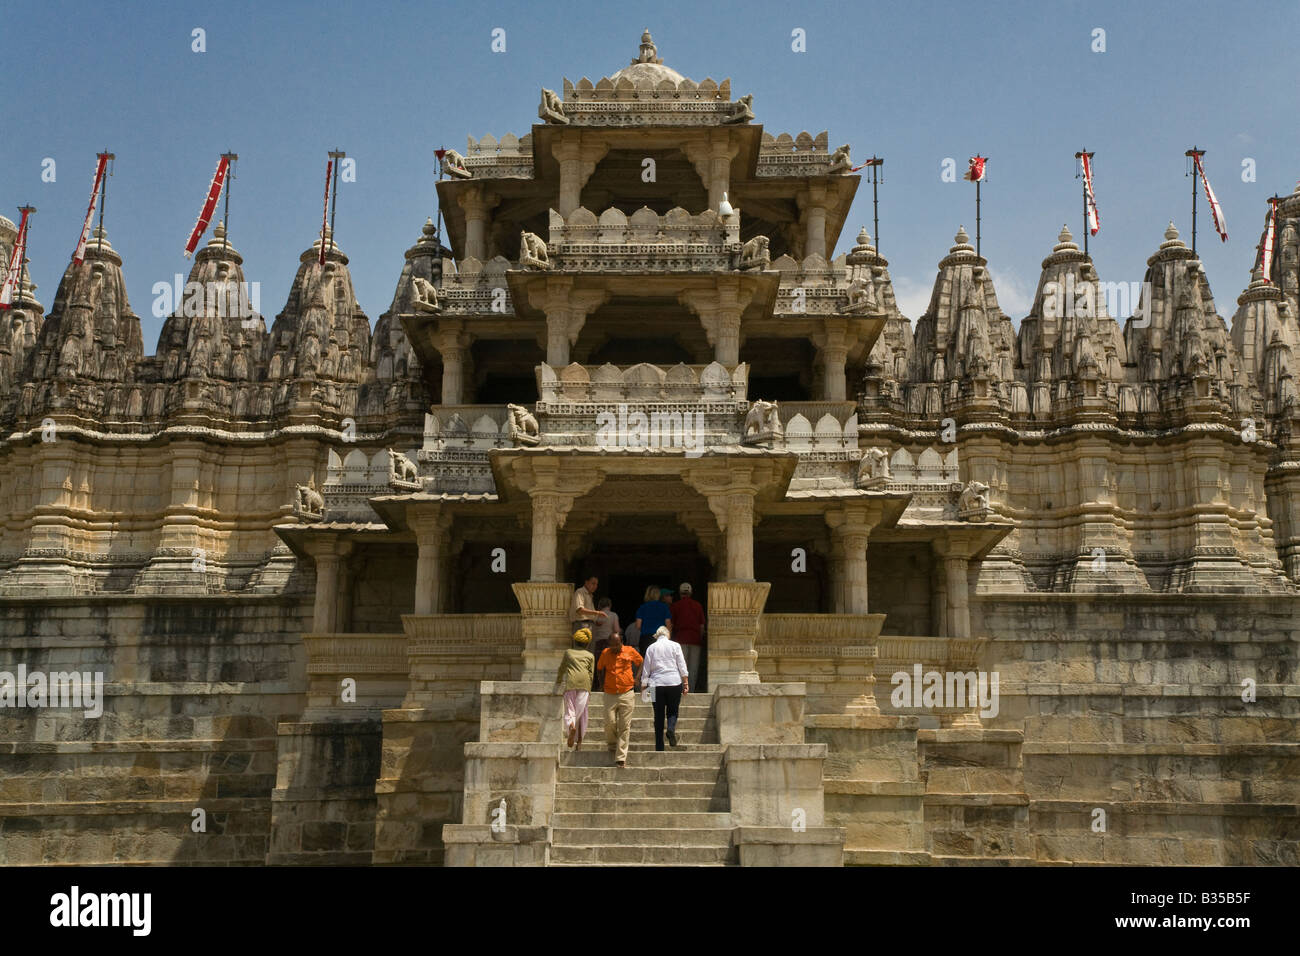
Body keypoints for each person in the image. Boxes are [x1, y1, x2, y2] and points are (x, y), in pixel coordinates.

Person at [595, 629, 642, 768]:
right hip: (610, 692)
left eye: (617, 645)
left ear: (621, 643)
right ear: (609, 644)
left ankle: (621, 757)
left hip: (627, 692)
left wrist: (637, 678)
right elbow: (599, 668)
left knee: (624, 726)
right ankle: (612, 744)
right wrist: (601, 683)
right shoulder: (605, 653)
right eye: (612, 646)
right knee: (609, 722)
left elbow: (641, 662)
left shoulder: (630, 650)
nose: (615, 648)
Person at [641, 620, 689, 750]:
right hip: (674, 681)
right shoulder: (675, 645)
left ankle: (659, 746)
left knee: (658, 714)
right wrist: (685, 682)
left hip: (655, 684)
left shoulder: (651, 648)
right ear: (668, 635)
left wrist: (643, 688)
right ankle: (671, 728)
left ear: (657, 636)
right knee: (673, 711)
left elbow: (646, 669)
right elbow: (681, 664)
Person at [554, 626, 596, 750]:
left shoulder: (568, 653)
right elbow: (591, 673)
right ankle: (579, 742)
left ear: (575, 641)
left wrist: (558, 681)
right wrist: (590, 689)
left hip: (571, 683)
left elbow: (562, 668)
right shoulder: (590, 655)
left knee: (570, 711)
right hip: (585, 684)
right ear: (587, 644)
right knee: (582, 713)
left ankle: (571, 726)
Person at [670, 581, 705, 691]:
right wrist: (701, 637)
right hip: (695, 639)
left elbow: (671, 624)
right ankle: (692, 690)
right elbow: (702, 626)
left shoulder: (675, 606)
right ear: (691, 593)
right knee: (693, 667)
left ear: (680, 593)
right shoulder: (698, 605)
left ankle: (682, 689)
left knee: (681, 665)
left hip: (680, 639)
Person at [589, 598, 618, 691]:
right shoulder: (613, 615)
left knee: (598, 665)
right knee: (609, 664)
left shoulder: (596, 615)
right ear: (610, 605)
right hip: (609, 643)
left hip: (597, 643)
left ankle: (597, 686)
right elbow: (616, 629)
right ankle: (608, 685)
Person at [635, 586, 671, 654]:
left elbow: (638, 626)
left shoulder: (642, 607)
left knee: (646, 661)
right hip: (660, 638)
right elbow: (668, 624)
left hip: (645, 638)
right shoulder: (664, 607)